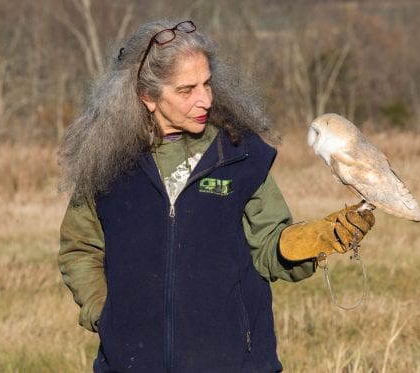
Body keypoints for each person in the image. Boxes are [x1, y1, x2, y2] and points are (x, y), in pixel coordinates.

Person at [57, 19, 375, 373]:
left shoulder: (239, 155)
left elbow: (270, 246)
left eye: (207, 83)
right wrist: (107, 316)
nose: (204, 99)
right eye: (186, 89)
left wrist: (315, 241)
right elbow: (80, 248)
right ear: (147, 96)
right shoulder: (106, 161)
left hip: (234, 363)